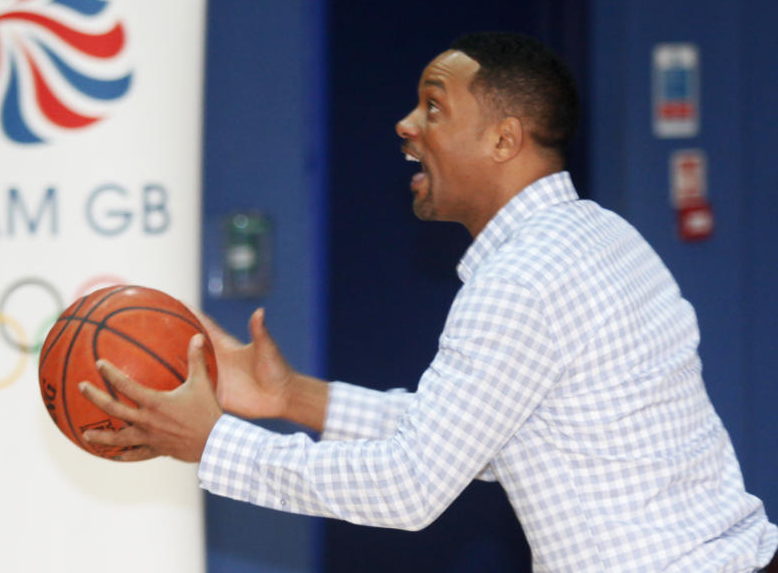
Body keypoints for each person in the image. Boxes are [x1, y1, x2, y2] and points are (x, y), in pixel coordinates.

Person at [79, 32, 778, 572]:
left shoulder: (523, 278)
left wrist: (213, 443)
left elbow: (411, 484)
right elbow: (461, 432)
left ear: (505, 139)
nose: (406, 124)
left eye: (433, 107)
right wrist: (292, 396)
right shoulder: (600, 234)